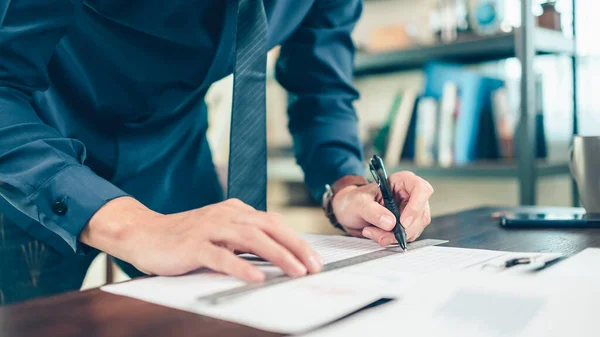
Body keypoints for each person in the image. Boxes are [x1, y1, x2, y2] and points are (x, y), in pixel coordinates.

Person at [0, 0, 433, 305]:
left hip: (173, 163)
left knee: (231, 310)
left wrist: (346, 185)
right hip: (33, 161)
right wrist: (134, 227)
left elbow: (322, 89)